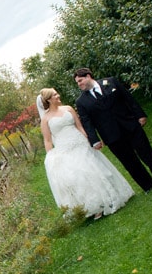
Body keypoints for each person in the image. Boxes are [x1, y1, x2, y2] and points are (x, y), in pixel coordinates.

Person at [38, 88, 134, 219]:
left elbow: (79, 126)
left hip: (80, 143)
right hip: (65, 149)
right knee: (79, 177)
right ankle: (94, 206)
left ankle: (109, 198)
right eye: (55, 95)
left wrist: (89, 140)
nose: (58, 95)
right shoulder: (45, 119)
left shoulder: (68, 109)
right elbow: (48, 140)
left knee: (95, 171)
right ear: (49, 99)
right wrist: (51, 158)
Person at [73, 68, 152, 192]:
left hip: (130, 125)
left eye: (80, 80)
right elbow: (87, 122)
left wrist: (140, 115)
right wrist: (94, 140)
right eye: (77, 82)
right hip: (111, 135)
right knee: (130, 162)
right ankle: (147, 186)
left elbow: (128, 98)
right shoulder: (81, 101)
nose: (79, 84)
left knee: (147, 153)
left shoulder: (111, 82)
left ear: (88, 76)